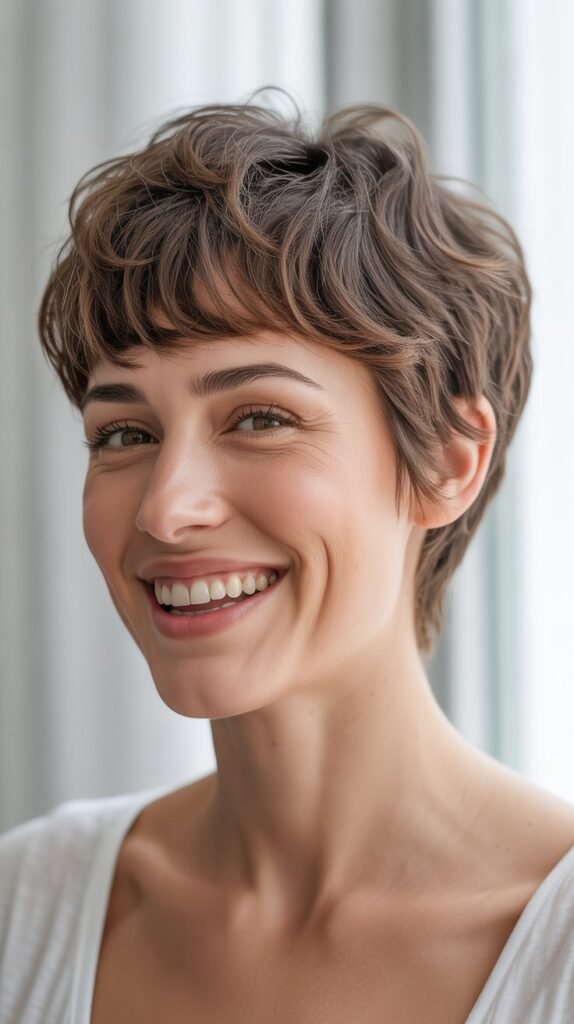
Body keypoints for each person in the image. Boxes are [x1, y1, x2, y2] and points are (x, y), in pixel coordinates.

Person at [1, 96, 573, 1024]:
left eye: (261, 417)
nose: (165, 507)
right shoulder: (28, 908)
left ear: (447, 461)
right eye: (123, 433)